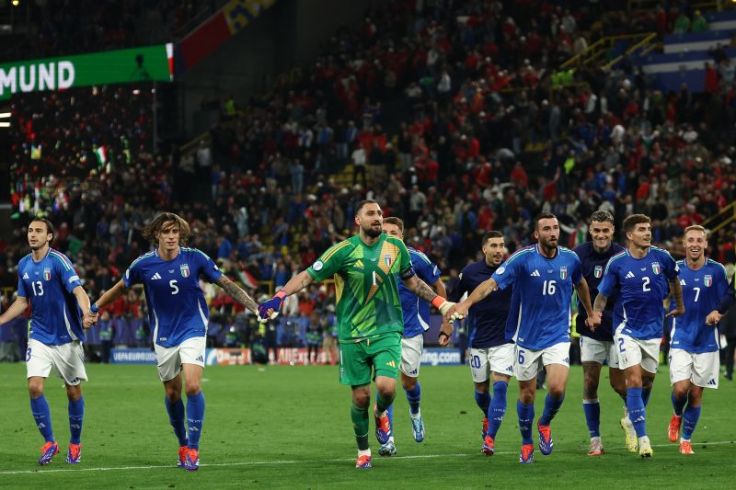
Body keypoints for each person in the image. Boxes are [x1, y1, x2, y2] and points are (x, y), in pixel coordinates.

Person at [257, 200, 459, 469]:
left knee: (386, 388)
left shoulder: (396, 248)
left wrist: (440, 304)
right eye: (371, 214)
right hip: (352, 333)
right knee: (360, 397)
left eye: (379, 213)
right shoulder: (342, 252)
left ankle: (381, 412)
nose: (377, 218)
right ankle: (364, 450)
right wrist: (279, 296)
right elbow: (307, 276)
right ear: (357, 220)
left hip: (388, 329)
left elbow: (413, 282)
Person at [87, 212, 259, 471]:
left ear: (181, 234)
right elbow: (120, 288)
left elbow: (226, 283)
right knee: (172, 392)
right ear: (157, 234)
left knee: (192, 386)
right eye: (166, 232)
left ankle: (194, 449)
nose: (171, 237)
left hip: (193, 327)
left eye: (175, 232)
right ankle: (182, 442)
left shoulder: (195, 258)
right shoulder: (143, 265)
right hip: (164, 333)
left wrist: (255, 307)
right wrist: (95, 307)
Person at [447, 213, 595, 464]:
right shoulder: (522, 259)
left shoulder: (570, 259)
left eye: (556, 228)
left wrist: (589, 313)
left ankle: (544, 423)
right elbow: (491, 283)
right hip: (526, 338)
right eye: (546, 228)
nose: (553, 232)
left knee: (557, 388)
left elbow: (580, 283)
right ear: (537, 234)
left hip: (557, 335)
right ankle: (526, 442)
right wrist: (467, 304)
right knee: (526, 394)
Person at [0, 217, 93, 465]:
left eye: (39, 231)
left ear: (49, 236)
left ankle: (75, 443)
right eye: (30, 230)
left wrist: (86, 312)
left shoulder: (59, 261)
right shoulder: (23, 265)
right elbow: (22, 301)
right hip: (39, 335)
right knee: (34, 387)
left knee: (73, 393)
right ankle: (50, 442)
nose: (33, 234)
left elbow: (78, 290)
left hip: (66, 338)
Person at [593, 213, 684, 458]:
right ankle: (643, 439)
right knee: (633, 380)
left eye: (649, 228)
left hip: (653, 331)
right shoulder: (618, 263)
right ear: (630, 235)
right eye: (642, 229)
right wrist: (595, 314)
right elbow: (602, 295)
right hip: (626, 330)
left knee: (647, 382)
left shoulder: (662, 257)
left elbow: (675, 278)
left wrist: (679, 303)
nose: (647, 233)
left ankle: (631, 420)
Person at [379, 217, 452, 456]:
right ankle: (387, 440)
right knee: (385, 385)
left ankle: (415, 412)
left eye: (394, 233)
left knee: (409, 383)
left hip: (410, 330)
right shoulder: (371, 258)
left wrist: (445, 321)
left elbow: (439, 286)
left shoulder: (417, 258)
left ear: (402, 236)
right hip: (382, 330)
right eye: (385, 232)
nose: (389, 236)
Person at [666, 225, 733, 455]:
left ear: (706, 244)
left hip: (707, 340)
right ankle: (676, 415)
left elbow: (727, 297)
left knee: (696, 393)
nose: (695, 244)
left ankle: (686, 438)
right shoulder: (673, 269)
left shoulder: (716, 271)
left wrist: (719, 313)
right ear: (684, 244)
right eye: (690, 240)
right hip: (681, 336)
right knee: (681, 390)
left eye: (699, 240)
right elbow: (661, 295)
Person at [449, 231, 514, 456]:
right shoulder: (469, 273)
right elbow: (453, 299)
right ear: (484, 249)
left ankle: (490, 438)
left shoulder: (512, 271)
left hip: (506, 340)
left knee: (500, 386)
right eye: (494, 245)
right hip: (478, 340)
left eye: (502, 245)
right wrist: (450, 321)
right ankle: (489, 417)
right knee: (480, 391)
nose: (499, 250)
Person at [573, 210, 629, 456]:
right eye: (596, 230)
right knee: (589, 382)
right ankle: (595, 439)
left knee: (619, 385)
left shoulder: (622, 256)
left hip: (618, 328)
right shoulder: (578, 256)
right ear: (590, 230)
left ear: (613, 231)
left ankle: (631, 418)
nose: (601, 235)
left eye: (605, 230)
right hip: (591, 329)